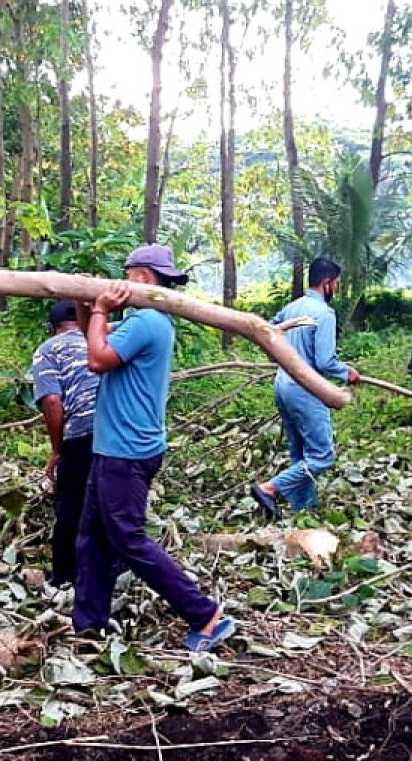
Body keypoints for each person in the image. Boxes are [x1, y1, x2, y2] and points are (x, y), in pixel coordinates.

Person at [73, 244, 235, 652]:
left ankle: (205, 615)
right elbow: (93, 334)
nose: (122, 280)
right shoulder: (143, 321)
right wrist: (86, 304)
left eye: (127, 274)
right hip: (115, 448)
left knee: (128, 539)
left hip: (126, 452)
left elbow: (97, 358)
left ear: (142, 277)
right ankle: (89, 622)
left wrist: (98, 311)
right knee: (92, 537)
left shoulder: (146, 319)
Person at [250, 258, 360, 521]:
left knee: (299, 452)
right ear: (327, 283)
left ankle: (304, 509)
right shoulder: (324, 314)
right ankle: (269, 488)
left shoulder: (292, 308)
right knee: (322, 457)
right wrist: (348, 373)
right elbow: (324, 361)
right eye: (336, 284)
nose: (336, 288)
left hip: (282, 385)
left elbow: (267, 333)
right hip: (305, 388)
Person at [31, 299, 100, 588]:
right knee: (106, 502)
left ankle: (64, 576)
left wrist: (58, 449)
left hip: (82, 432)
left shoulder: (47, 350)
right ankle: (110, 570)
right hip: (117, 429)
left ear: (52, 327)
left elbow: (51, 400)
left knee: (70, 503)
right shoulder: (100, 339)